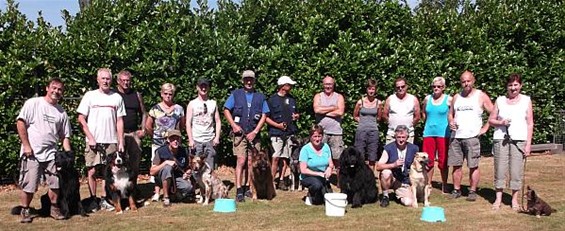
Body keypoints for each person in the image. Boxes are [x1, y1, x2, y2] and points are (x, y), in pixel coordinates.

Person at [16, 78, 72, 223]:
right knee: (30, 184)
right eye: (54, 88)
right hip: (32, 153)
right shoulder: (33, 103)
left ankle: (54, 208)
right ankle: (25, 210)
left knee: (55, 183)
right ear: (47, 88)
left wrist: (68, 155)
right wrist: (26, 146)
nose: (56, 91)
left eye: (59, 89)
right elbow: (20, 123)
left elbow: (65, 136)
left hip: (51, 154)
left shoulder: (61, 113)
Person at [77, 68, 126, 211]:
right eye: (103, 78)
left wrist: (120, 141)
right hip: (93, 141)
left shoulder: (116, 97)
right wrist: (90, 137)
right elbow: (81, 118)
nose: (105, 81)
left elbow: (120, 121)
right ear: (97, 80)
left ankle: (105, 199)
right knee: (91, 171)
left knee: (107, 172)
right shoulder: (90, 96)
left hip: (111, 140)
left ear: (111, 80)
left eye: (108, 79)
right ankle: (93, 200)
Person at [488, 73, 533, 210]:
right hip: (501, 139)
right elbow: (491, 120)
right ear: (506, 87)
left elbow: (530, 123)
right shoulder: (500, 100)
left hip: (519, 140)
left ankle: (514, 201)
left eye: (516, 85)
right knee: (500, 170)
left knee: (516, 170)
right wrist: (501, 122)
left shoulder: (526, 100)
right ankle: (498, 199)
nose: (513, 88)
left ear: (520, 86)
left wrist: (528, 145)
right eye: (510, 85)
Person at [223, 70, 269, 202]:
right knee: (241, 161)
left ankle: (250, 188)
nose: (249, 82)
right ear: (243, 81)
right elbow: (226, 109)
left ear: (254, 81)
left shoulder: (260, 97)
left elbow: (265, 115)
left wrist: (255, 132)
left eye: (251, 79)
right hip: (240, 135)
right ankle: (239, 189)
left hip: (254, 135)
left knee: (251, 162)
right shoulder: (235, 94)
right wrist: (233, 125)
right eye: (246, 79)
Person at [448, 70, 493, 201]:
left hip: (472, 137)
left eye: (468, 81)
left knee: (473, 165)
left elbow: (493, 112)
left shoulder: (481, 96)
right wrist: (450, 121)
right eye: (463, 81)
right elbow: (450, 113)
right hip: (456, 137)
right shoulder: (456, 97)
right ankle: (457, 189)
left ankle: (472, 191)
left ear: (473, 81)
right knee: (456, 165)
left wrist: (485, 128)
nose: (466, 83)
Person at [145, 83, 186, 202]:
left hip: (173, 142)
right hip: (158, 142)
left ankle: (172, 190)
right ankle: (157, 192)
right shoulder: (154, 109)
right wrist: (155, 135)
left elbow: (182, 124)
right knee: (157, 168)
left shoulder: (179, 109)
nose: (168, 96)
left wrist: (175, 137)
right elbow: (148, 126)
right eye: (166, 93)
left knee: (173, 166)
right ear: (161, 94)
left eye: (170, 94)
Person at [266, 75, 299, 190]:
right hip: (276, 133)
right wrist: (277, 125)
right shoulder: (272, 100)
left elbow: (296, 113)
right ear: (283, 86)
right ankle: (270, 183)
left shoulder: (292, 99)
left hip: (289, 133)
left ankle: (281, 181)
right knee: (275, 158)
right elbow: (266, 118)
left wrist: (296, 116)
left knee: (285, 159)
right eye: (289, 85)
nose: (291, 87)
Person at [421, 76, 452, 193]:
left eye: (439, 86)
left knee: (443, 160)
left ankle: (444, 184)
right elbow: (424, 112)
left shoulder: (449, 99)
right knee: (428, 160)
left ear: (443, 87)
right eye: (434, 86)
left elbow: (454, 113)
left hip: (443, 134)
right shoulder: (427, 98)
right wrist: (428, 122)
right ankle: (428, 184)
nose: (436, 88)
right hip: (428, 133)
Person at [116, 70, 147, 185]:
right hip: (118, 134)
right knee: (119, 161)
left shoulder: (136, 95)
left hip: (133, 133)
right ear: (118, 81)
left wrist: (143, 129)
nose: (126, 83)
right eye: (123, 80)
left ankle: (133, 187)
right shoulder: (114, 94)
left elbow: (144, 113)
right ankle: (120, 187)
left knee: (135, 161)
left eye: (128, 80)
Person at [376, 125, 419, 207]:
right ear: (395, 137)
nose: (401, 140)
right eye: (399, 137)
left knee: (408, 202)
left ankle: (398, 195)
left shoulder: (414, 149)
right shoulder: (388, 148)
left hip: (404, 181)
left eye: (403, 137)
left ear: (407, 137)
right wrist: (393, 164)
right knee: (386, 173)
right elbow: (378, 167)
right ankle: (385, 196)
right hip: (392, 178)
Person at [149, 130, 194, 207]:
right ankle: (166, 197)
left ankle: (175, 193)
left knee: (188, 187)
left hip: (177, 177)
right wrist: (165, 163)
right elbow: (152, 172)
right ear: (168, 140)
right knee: (167, 168)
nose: (175, 141)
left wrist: (187, 173)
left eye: (177, 139)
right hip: (162, 178)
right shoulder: (160, 151)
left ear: (180, 140)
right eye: (173, 139)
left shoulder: (184, 151)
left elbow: (188, 167)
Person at [313, 74, 345, 176]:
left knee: (337, 158)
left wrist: (323, 111)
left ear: (333, 85)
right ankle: (320, 178)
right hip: (321, 133)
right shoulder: (318, 96)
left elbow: (340, 112)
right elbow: (317, 110)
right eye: (326, 84)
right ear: (323, 85)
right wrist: (332, 107)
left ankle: (340, 181)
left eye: (330, 84)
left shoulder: (339, 97)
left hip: (336, 132)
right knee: (319, 157)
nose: (328, 86)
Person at [186, 78, 221, 169]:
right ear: (197, 88)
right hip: (196, 140)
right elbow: (188, 122)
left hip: (210, 140)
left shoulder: (213, 103)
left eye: (206, 86)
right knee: (195, 168)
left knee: (210, 169)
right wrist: (190, 140)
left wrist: (217, 137)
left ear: (209, 88)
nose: (203, 89)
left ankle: (209, 184)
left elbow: (217, 121)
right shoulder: (192, 104)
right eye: (201, 86)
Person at [299, 125, 334, 206]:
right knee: (317, 186)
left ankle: (319, 194)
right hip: (308, 177)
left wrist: (329, 168)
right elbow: (303, 170)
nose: (317, 139)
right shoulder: (305, 149)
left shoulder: (326, 147)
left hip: (323, 177)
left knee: (327, 199)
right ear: (310, 137)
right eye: (315, 136)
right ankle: (310, 194)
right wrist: (318, 174)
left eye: (319, 136)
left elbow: (331, 164)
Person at [353, 79, 382, 170]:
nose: (371, 91)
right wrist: (362, 122)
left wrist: (371, 123)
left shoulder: (379, 103)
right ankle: (359, 176)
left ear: (375, 90)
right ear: (366, 89)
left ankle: (371, 177)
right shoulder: (360, 102)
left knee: (372, 156)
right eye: (369, 89)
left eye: (373, 89)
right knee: (359, 155)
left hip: (373, 131)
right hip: (361, 131)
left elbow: (379, 117)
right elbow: (355, 115)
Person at [382, 77, 421, 145]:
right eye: (398, 87)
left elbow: (417, 117)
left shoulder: (413, 99)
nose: (400, 89)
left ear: (406, 86)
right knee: (390, 155)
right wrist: (392, 124)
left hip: (408, 136)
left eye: (402, 86)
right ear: (395, 88)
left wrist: (409, 126)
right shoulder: (390, 99)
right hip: (392, 135)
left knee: (407, 155)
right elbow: (384, 115)